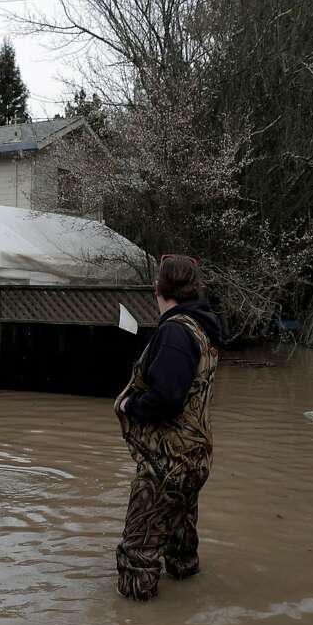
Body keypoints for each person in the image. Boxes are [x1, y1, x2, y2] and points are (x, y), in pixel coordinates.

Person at [113, 255, 223, 601]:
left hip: (166, 463)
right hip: (193, 458)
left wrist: (131, 404)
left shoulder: (175, 331)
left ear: (156, 288)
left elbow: (168, 398)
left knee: (138, 555)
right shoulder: (202, 327)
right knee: (181, 546)